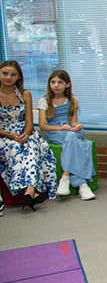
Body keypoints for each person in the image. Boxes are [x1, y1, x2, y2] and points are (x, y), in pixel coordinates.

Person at [0, 60, 58, 212]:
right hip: (4, 134)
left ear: (18, 77)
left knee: (31, 145)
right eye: (5, 73)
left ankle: (30, 190)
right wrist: (11, 136)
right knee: (15, 148)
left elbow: (29, 122)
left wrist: (25, 134)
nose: (8, 77)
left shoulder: (25, 94)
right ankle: (31, 192)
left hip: (24, 131)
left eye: (13, 75)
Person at [38, 70, 96, 200]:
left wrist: (77, 126)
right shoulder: (44, 101)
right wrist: (61, 127)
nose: (56, 85)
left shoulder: (72, 99)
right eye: (53, 82)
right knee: (77, 143)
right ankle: (82, 185)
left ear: (67, 84)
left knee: (71, 136)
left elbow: (73, 121)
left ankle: (65, 177)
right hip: (55, 131)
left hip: (70, 130)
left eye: (60, 82)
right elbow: (42, 126)